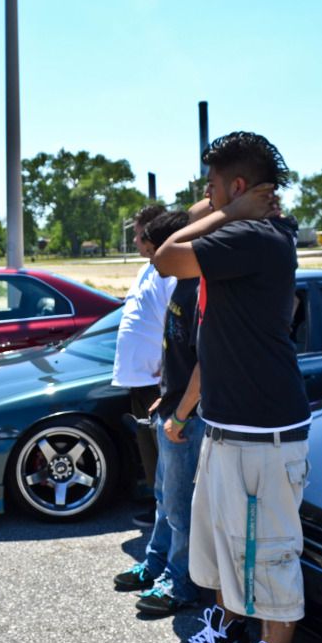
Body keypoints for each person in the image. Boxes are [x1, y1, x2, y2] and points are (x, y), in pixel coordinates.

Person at [154, 132, 310, 643]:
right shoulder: (246, 227)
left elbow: (166, 256)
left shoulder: (257, 238)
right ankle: (225, 627)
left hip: (262, 435)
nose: (205, 196)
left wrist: (234, 208)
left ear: (238, 187)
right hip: (227, 429)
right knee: (221, 545)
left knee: (268, 554)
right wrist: (231, 202)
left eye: (214, 185)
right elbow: (196, 213)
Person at [113, 210, 205, 618]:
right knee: (164, 496)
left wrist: (181, 411)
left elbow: (206, 361)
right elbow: (175, 353)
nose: (151, 258)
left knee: (180, 504)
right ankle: (156, 563)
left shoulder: (196, 290)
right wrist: (166, 396)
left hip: (186, 415)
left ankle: (180, 582)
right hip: (169, 403)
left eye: (157, 251)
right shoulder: (179, 284)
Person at [112, 204, 176, 528]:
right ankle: (158, 513)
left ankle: (167, 520)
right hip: (138, 378)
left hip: (157, 379)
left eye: (139, 235)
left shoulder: (170, 273)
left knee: (166, 457)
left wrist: (168, 369)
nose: (136, 241)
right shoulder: (146, 269)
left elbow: (176, 324)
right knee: (150, 455)